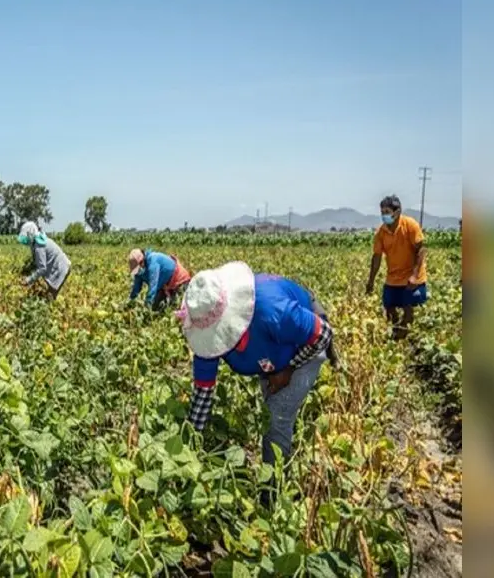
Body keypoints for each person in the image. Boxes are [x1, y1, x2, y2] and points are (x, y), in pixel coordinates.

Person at [175, 261, 337, 485]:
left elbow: (324, 334)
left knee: (276, 415)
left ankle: (273, 488)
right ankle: (280, 457)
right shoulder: (206, 330)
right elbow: (203, 395)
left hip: (304, 346)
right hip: (269, 354)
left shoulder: (273, 311)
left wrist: (288, 369)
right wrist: (188, 452)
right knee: (272, 406)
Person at [365, 195, 427, 340]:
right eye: (382, 212)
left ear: (397, 212)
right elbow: (377, 257)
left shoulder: (410, 225)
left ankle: (405, 337)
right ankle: (396, 334)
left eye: (387, 212)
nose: (384, 216)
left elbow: (421, 251)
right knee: (389, 307)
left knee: (408, 308)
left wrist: (414, 276)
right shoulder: (381, 232)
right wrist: (371, 281)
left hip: (412, 276)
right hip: (393, 276)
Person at [17, 221, 71, 300]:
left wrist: (29, 280)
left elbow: (42, 268)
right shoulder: (37, 240)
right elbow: (37, 262)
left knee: (50, 296)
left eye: (27, 237)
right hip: (59, 267)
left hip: (61, 269)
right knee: (49, 294)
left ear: (30, 234)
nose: (26, 241)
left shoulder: (39, 247)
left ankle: (51, 305)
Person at [126, 248, 192, 311]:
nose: (138, 270)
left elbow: (153, 285)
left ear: (142, 261)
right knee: (156, 307)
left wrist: (147, 305)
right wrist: (130, 301)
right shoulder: (139, 271)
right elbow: (136, 288)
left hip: (180, 281)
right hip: (165, 286)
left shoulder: (152, 261)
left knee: (179, 306)